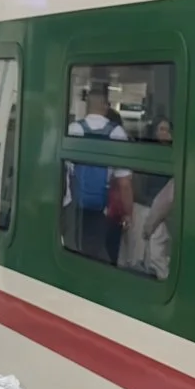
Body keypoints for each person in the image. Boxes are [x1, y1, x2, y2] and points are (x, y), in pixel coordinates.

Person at [63, 82, 131, 264]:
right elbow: (124, 183)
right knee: (97, 251)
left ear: (87, 106)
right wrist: (128, 213)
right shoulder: (117, 133)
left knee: (75, 248)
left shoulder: (73, 129)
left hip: (74, 205)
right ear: (106, 106)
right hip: (103, 208)